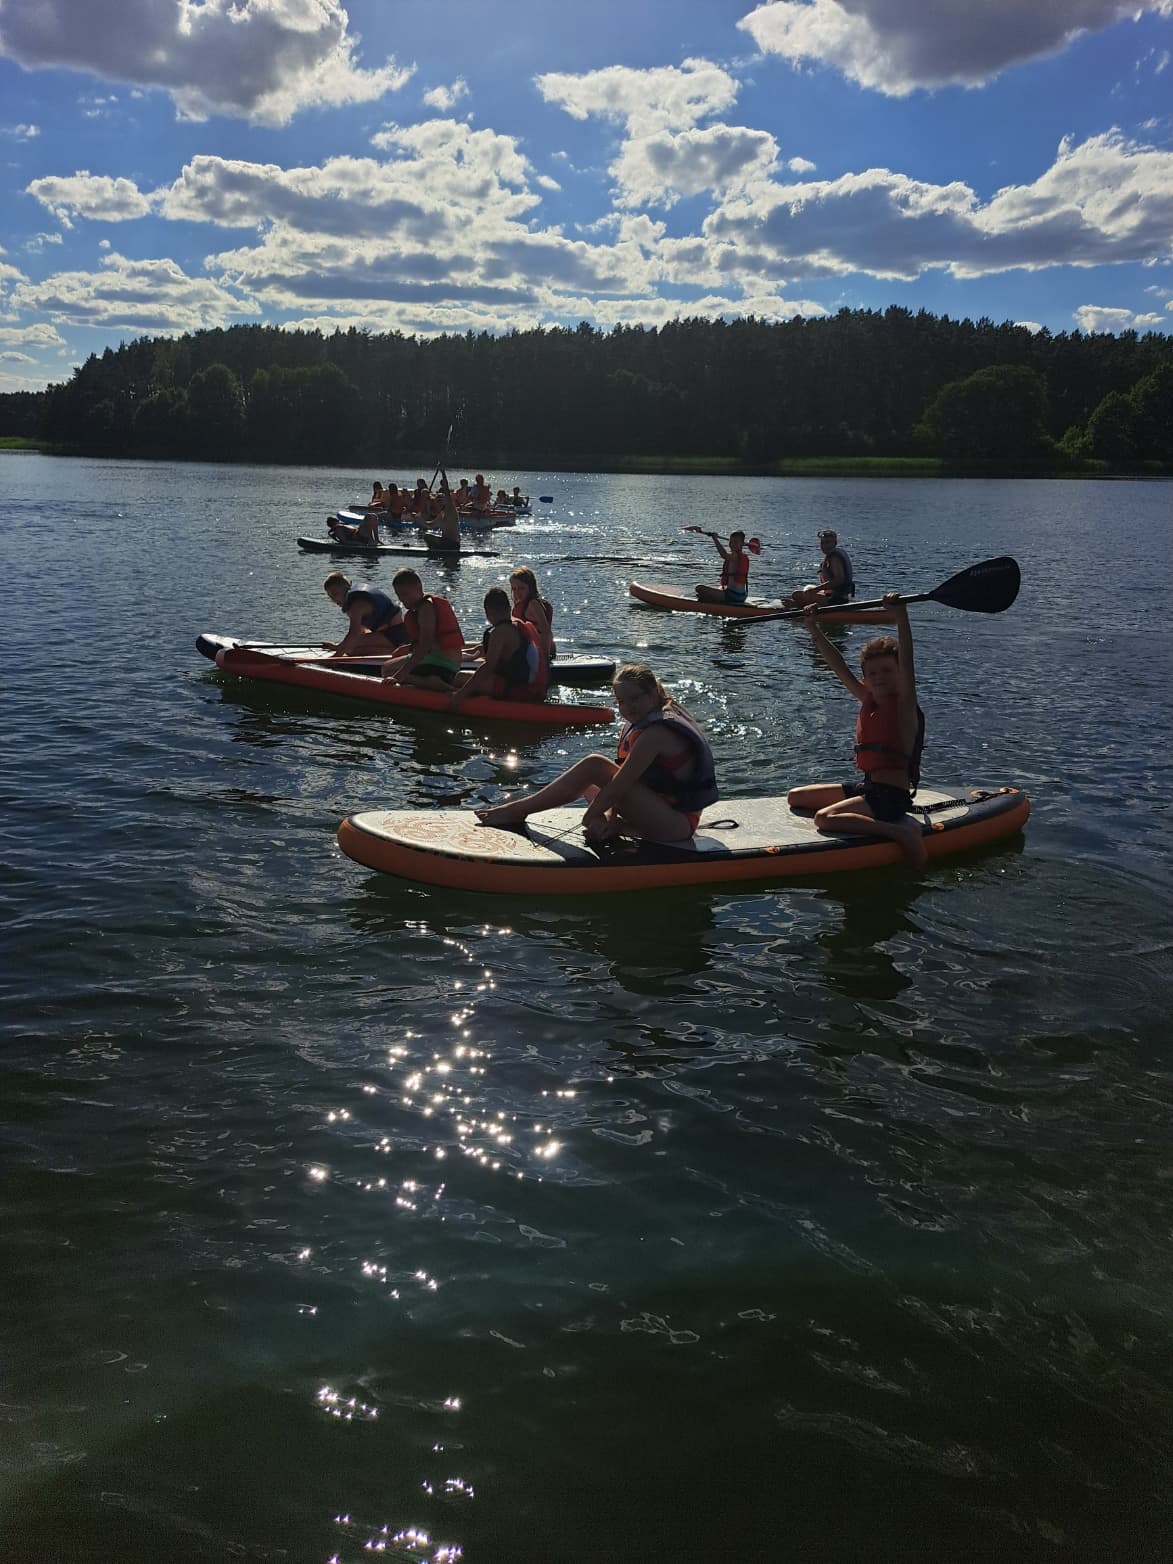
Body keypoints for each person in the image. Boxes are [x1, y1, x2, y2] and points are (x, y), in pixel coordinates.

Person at [475, 663, 718, 847]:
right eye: (622, 702)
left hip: (676, 826)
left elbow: (619, 786)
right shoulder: (645, 721)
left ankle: (518, 810)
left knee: (594, 767)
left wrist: (590, 815)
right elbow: (624, 786)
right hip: (659, 813)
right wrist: (608, 819)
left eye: (636, 698)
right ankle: (613, 827)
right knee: (589, 783)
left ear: (654, 692)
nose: (629, 707)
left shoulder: (657, 733)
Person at [787, 598, 927, 866]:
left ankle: (900, 832)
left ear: (899, 674)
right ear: (865, 679)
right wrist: (813, 628)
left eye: (887, 670)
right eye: (872, 673)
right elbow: (838, 665)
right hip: (868, 788)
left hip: (892, 798)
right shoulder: (867, 700)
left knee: (824, 818)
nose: (879, 677)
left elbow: (908, 662)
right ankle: (874, 819)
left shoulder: (904, 707)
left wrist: (901, 617)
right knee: (796, 797)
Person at [450, 588, 548, 709]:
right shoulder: (517, 625)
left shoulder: (499, 632)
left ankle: (456, 697)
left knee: (459, 677)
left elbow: (488, 667)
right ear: (508, 608)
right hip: (533, 688)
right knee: (472, 678)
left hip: (520, 692)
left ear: (488, 612)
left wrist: (461, 694)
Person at [380, 568, 466, 690]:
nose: (402, 599)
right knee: (396, 657)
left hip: (443, 664)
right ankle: (422, 681)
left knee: (387, 669)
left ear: (418, 588)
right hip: (447, 662)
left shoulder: (426, 608)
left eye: (405, 594)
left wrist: (399, 676)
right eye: (398, 595)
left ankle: (429, 682)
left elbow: (425, 645)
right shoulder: (421, 608)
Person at [322, 572, 409, 657]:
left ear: (346, 588)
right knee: (352, 649)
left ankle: (399, 651)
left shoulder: (356, 605)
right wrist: (339, 647)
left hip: (397, 633)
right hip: (393, 633)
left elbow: (353, 634)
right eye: (330, 597)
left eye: (335, 594)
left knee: (350, 648)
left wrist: (336, 656)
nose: (333, 599)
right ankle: (397, 649)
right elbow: (360, 631)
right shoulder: (353, 600)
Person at [784, 529, 854, 608]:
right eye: (822, 543)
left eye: (827, 542)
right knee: (797, 594)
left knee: (796, 595)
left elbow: (839, 580)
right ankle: (797, 605)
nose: (824, 545)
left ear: (835, 543)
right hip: (833, 596)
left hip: (836, 600)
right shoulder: (833, 555)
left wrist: (815, 590)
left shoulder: (835, 558)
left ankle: (797, 608)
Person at [509, 565, 556, 658]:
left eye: (522, 588)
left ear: (530, 588)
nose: (517, 592)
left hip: (538, 653)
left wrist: (544, 660)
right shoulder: (521, 605)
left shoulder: (533, 605)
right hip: (529, 650)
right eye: (514, 589)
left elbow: (546, 631)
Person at [695, 530, 751, 605]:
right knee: (711, 591)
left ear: (742, 544)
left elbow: (723, 555)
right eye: (731, 542)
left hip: (732, 596)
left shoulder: (735, 556)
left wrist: (715, 539)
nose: (732, 544)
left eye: (735, 542)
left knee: (699, 588)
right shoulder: (740, 556)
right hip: (741, 596)